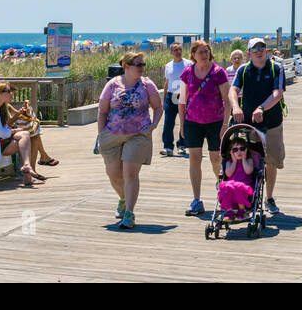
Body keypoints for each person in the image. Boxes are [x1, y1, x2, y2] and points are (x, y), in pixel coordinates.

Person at [97, 52, 162, 229]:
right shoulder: (112, 85)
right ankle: (123, 198)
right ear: (126, 66)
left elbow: (158, 107)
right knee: (114, 175)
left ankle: (129, 213)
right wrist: (100, 136)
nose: (142, 68)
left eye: (143, 64)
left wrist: (153, 125)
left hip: (138, 134)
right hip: (112, 134)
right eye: (138, 64)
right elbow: (102, 111)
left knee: (130, 173)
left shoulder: (147, 85)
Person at [229, 38, 287, 216]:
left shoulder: (276, 68)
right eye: (255, 49)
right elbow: (233, 90)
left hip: (272, 122)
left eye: (262, 48)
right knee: (249, 160)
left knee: (271, 162)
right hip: (249, 124)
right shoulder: (244, 70)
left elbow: (278, 93)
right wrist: (235, 107)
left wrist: (262, 107)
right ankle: (248, 197)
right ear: (249, 53)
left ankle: (269, 198)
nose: (259, 51)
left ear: (267, 51)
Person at [178, 41, 231, 216]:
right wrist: (182, 124)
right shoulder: (188, 72)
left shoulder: (218, 72)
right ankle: (196, 199)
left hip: (215, 122)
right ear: (193, 54)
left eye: (206, 51)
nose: (204, 55)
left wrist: (225, 124)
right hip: (193, 121)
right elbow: (182, 100)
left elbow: (227, 100)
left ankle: (220, 184)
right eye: (201, 52)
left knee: (215, 158)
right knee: (194, 158)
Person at [0, 82, 40, 188]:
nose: (11, 93)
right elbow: (2, 133)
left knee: (26, 134)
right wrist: (15, 131)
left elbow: (4, 130)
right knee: (27, 138)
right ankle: (27, 174)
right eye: (8, 91)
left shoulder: (0, 107)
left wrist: (15, 129)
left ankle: (27, 167)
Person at [1, 97, 59, 170]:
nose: (11, 94)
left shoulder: (8, 106)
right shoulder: (0, 108)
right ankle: (42, 158)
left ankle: (37, 165)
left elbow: (21, 116)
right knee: (33, 136)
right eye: (9, 92)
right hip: (6, 136)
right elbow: (7, 125)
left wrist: (24, 108)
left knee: (34, 136)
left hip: (12, 132)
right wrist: (18, 114)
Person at [217, 136, 256, 221]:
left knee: (239, 187)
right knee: (226, 187)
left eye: (242, 149)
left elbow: (248, 171)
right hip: (231, 189)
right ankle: (229, 211)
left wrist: (244, 159)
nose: (239, 152)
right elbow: (228, 173)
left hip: (245, 189)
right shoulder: (229, 162)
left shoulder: (249, 160)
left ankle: (242, 211)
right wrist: (234, 161)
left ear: (246, 150)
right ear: (231, 152)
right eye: (235, 150)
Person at [161, 43, 190, 156]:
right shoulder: (168, 66)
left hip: (184, 96)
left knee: (184, 122)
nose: (178, 51)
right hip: (171, 96)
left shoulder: (189, 64)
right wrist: (164, 101)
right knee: (168, 122)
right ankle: (167, 147)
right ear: (171, 52)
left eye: (180, 49)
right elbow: (167, 83)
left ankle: (182, 145)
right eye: (175, 49)